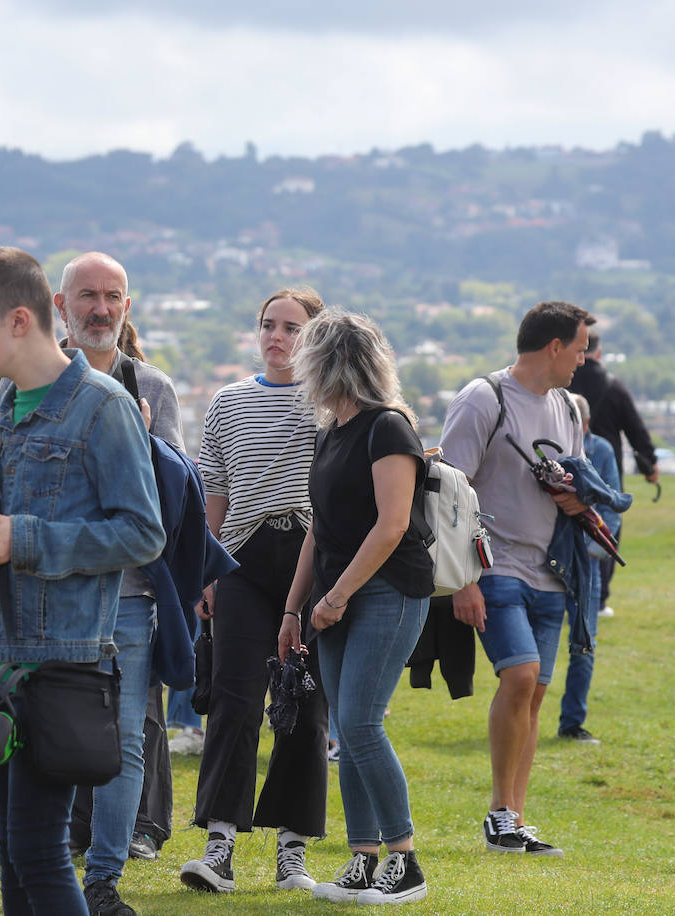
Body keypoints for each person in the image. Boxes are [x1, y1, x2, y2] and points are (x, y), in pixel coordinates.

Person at [0, 247, 164, 915]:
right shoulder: (6, 394)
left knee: (37, 851)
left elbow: (144, 534)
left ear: (20, 319)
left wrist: (26, 541)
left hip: (55, 663)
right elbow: (1, 508)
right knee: (16, 856)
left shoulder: (102, 405)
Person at [279, 308, 433, 905]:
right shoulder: (331, 433)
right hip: (333, 602)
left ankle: (405, 862)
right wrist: (295, 609)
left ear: (326, 363)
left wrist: (337, 596)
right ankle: (364, 860)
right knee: (348, 730)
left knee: (362, 723)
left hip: (386, 593)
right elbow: (320, 529)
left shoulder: (387, 427)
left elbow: (393, 525)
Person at [179, 288, 328, 896]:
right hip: (240, 559)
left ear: (315, 335)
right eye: (269, 325)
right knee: (234, 698)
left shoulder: (332, 404)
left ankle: (292, 849)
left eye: (292, 327)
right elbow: (213, 487)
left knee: (304, 704)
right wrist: (206, 571)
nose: (277, 336)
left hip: (311, 559)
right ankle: (220, 844)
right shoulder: (230, 401)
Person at [439, 299, 595, 859]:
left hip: (551, 573)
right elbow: (448, 492)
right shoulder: (484, 397)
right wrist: (463, 579)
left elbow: (576, 480)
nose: (583, 358)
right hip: (494, 566)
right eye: (579, 348)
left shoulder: (570, 409)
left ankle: (516, 820)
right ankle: (500, 814)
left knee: (535, 695)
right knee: (522, 677)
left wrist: (580, 499)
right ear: (554, 346)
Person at [53, 251, 182, 916]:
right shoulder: (32, 385)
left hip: (130, 597)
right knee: (49, 732)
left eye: (113, 296)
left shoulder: (153, 388)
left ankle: (102, 877)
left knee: (126, 737)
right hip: (52, 595)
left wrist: (145, 441)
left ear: (126, 307)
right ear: (60, 306)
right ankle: (43, 864)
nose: (101, 308)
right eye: (88, 296)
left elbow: (177, 499)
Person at [568, 333, 659, 618]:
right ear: (600, 352)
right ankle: (599, 598)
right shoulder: (614, 386)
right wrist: (650, 465)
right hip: (607, 465)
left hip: (568, 461)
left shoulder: (563, 381)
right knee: (605, 526)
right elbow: (635, 429)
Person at [556, 393, 628, 744]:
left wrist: (592, 551)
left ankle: (572, 724)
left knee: (583, 645)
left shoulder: (601, 451)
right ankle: (523, 721)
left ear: (584, 425)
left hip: (586, 564)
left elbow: (612, 507)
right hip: (550, 564)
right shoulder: (550, 448)